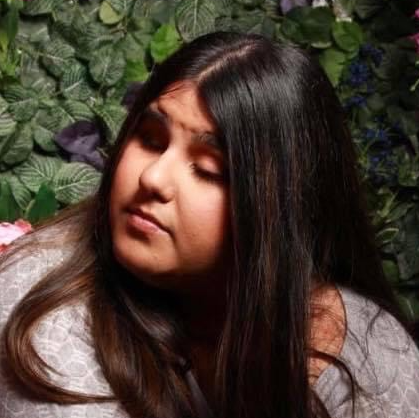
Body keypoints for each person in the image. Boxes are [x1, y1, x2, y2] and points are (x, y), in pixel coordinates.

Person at [1, 31, 418, 418]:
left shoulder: (370, 358)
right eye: (150, 139)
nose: (153, 178)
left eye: (207, 169)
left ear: (276, 212)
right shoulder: (40, 300)